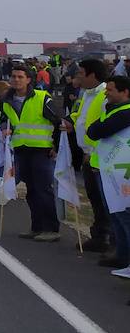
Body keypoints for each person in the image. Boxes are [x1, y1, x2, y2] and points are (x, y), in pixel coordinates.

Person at [3, 65, 61, 241]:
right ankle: (36, 227)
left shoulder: (42, 98)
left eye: (20, 76)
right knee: (31, 191)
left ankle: (51, 229)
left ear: (29, 79)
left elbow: (58, 121)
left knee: (44, 190)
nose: (16, 80)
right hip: (21, 150)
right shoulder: (7, 101)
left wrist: (55, 146)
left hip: (41, 150)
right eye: (13, 76)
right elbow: (9, 124)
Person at [67, 58, 113, 254]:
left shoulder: (104, 95)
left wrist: (92, 152)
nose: (78, 77)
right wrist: (70, 123)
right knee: (95, 198)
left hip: (99, 156)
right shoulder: (86, 94)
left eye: (80, 73)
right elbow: (81, 117)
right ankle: (99, 235)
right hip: (87, 154)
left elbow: (106, 127)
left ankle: (108, 238)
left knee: (106, 201)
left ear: (91, 75)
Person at [88, 77, 130, 276]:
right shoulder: (111, 109)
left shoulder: (125, 112)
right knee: (114, 213)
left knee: (123, 215)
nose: (106, 93)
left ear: (125, 92)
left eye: (111, 90)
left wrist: (99, 127)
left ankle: (125, 257)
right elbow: (93, 130)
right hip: (106, 169)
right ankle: (121, 255)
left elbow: (98, 130)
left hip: (121, 173)